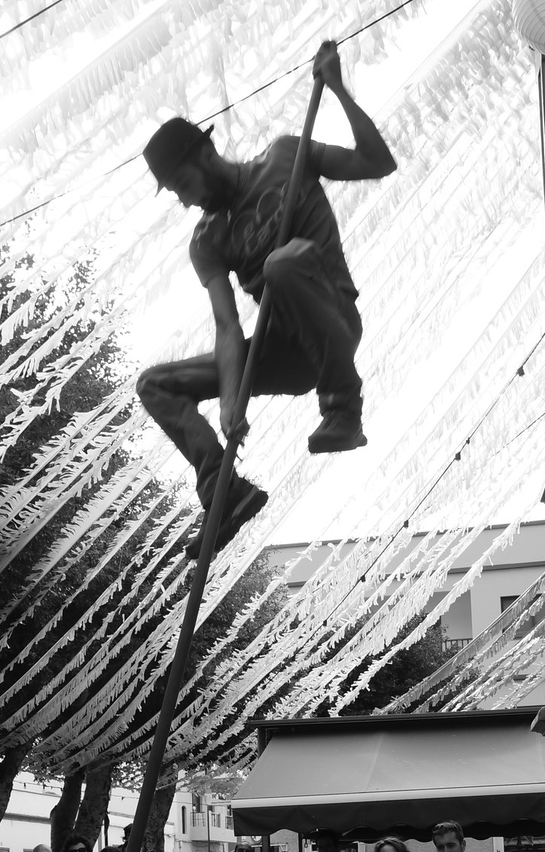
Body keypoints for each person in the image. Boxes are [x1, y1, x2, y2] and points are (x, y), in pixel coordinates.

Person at [136, 41, 395, 545]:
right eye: (176, 194)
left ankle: (343, 406)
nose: (187, 200)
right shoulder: (207, 241)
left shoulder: (284, 158)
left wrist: (338, 89)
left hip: (331, 318)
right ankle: (222, 487)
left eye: (184, 183)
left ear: (206, 153)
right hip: (281, 351)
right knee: (154, 384)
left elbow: (376, 161)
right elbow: (228, 326)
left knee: (283, 262)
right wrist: (232, 399)